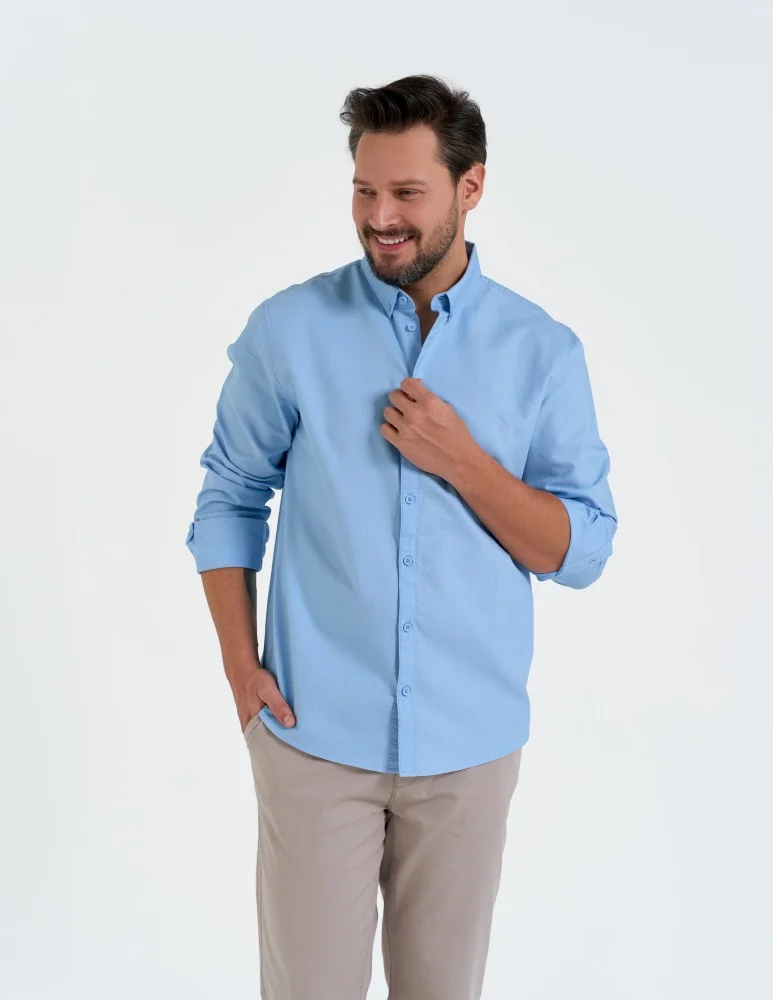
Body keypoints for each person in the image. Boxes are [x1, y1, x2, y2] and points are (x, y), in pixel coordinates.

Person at [185, 73, 618, 1000]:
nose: (380, 217)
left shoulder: (541, 352)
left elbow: (579, 550)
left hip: (469, 748)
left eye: (407, 193)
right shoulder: (290, 329)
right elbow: (229, 495)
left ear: (471, 186)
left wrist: (464, 461)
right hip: (312, 736)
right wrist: (239, 669)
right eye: (364, 190)